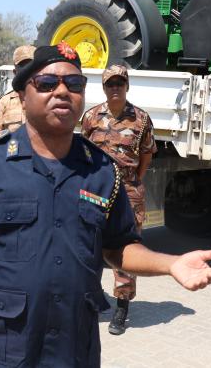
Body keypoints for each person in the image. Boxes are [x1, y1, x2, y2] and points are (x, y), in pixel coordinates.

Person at [0, 43, 211, 368]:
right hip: (3, 349)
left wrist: (171, 264)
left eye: (74, 84)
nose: (63, 91)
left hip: (73, 350)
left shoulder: (102, 171)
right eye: (47, 84)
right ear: (23, 98)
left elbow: (118, 248)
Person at [81, 64, 157, 336]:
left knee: (125, 248)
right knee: (89, 243)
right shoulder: (91, 117)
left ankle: (122, 307)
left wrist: (132, 180)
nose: (115, 88)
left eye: (120, 83)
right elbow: (82, 152)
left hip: (128, 190)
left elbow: (147, 154)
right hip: (96, 190)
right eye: (110, 84)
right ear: (103, 87)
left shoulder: (141, 119)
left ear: (127, 86)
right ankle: (91, 296)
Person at [0, 45, 36, 135]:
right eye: (23, 68)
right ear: (15, 72)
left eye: (31, 68)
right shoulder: (5, 102)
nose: (27, 72)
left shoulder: (48, 98)